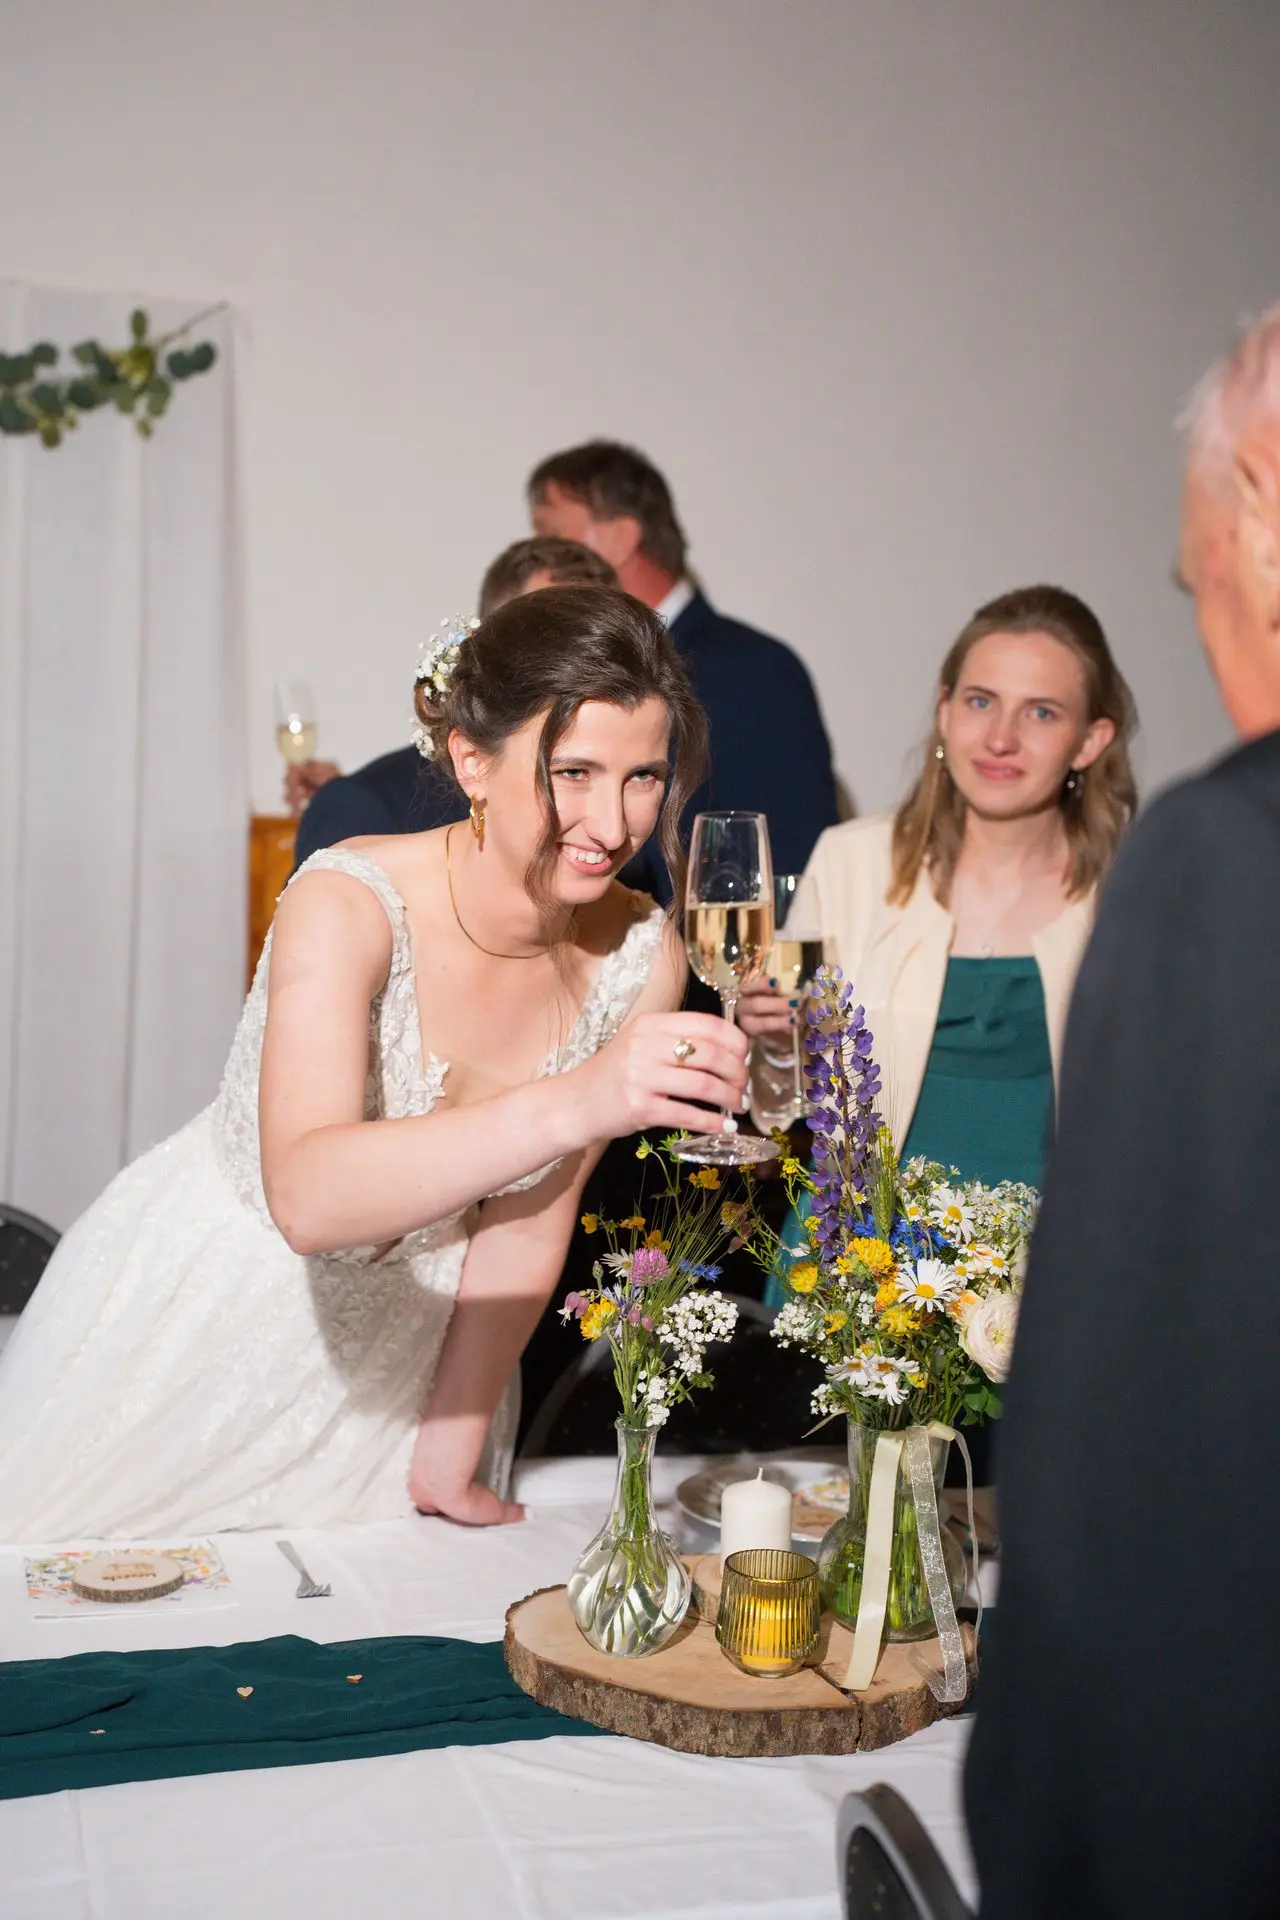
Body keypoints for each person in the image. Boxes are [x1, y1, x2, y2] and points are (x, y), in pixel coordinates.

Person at [0, 588, 751, 1538]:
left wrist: (450, 1445)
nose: (611, 824)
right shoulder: (349, 901)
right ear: (472, 761)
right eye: (573, 772)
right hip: (200, 1336)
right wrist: (578, 1101)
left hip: (415, 1373)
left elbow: (528, 1218)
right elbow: (307, 1201)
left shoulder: (643, 955)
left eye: (644, 777)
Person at [965, 315, 1280, 1918]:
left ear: (1263, 515)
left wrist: (1038, 1820)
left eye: (1198, 577)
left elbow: (1142, 1426)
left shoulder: (1224, 862)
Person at [740, 584, 1137, 1199]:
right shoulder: (852, 862)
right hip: (855, 1243)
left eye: (1041, 713)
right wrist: (773, 1042)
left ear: (1089, 741)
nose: (1001, 738)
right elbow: (782, 1107)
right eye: (981, 701)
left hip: (1054, 1248)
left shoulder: (1133, 891)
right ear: (946, 711)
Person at [528, 439, 840, 894]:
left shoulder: (753, 670)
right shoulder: (581, 667)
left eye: (550, 536)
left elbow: (796, 866)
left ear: (620, 538)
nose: (540, 559)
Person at [289, 535, 619, 858]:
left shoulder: (624, 816)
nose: (580, 670)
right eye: (554, 643)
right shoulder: (366, 807)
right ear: (491, 647)